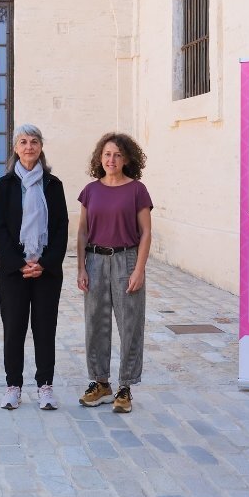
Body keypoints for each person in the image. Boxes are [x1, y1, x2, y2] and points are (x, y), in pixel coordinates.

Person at [0, 124, 68, 411]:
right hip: (15, 271)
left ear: (40, 147)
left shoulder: (53, 184)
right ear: (15, 148)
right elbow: (0, 229)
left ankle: (45, 386)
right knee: (14, 328)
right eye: (23, 142)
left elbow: (61, 228)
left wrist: (44, 263)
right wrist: (19, 263)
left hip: (46, 271)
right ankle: (13, 386)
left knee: (44, 328)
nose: (29, 147)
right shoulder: (4, 184)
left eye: (34, 141)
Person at [76, 133, 152, 414]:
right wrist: (81, 266)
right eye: (107, 154)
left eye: (118, 155)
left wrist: (139, 269)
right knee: (95, 324)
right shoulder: (90, 191)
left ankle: (126, 387)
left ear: (127, 159)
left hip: (126, 259)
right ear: (100, 158)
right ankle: (100, 382)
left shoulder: (137, 190)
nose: (112, 159)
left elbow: (146, 232)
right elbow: (82, 231)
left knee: (130, 324)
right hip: (95, 260)